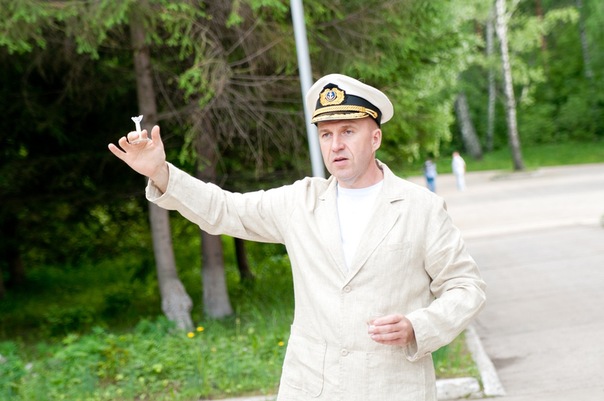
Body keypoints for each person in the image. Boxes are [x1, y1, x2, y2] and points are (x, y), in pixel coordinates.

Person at [108, 74, 486, 401]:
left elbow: (465, 287)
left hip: (392, 388)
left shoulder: (421, 208)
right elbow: (223, 209)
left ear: (375, 138)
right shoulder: (299, 202)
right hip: (312, 389)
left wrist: (418, 325)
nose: (335, 145)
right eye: (326, 134)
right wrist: (161, 172)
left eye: (348, 131)